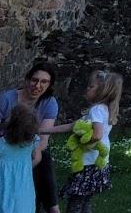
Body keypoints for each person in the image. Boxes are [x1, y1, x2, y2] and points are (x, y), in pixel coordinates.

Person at [0, 61, 60, 213]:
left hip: (28, 144)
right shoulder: (6, 99)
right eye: (34, 80)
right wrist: (3, 155)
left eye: (44, 82)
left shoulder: (50, 103)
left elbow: (43, 137)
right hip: (0, 142)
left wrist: (29, 154)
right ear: (27, 80)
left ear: (49, 85)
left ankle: (52, 207)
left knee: (43, 161)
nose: (37, 85)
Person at [49, 70, 121, 213]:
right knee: (85, 201)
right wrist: (44, 130)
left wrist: (82, 142)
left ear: (102, 91)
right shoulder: (105, 109)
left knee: (76, 202)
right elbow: (72, 126)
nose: (87, 89)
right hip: (98, 162)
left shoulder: (97, 110)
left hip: (88, 164)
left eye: (91, 86)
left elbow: (97, 134)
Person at [0, 102, 41, 213]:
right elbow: (36, 157)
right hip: (24, 187)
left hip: (2, 185)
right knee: (23, 207)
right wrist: (26, 167)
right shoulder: (34, 141)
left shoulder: (0, 143)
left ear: (11, 124)